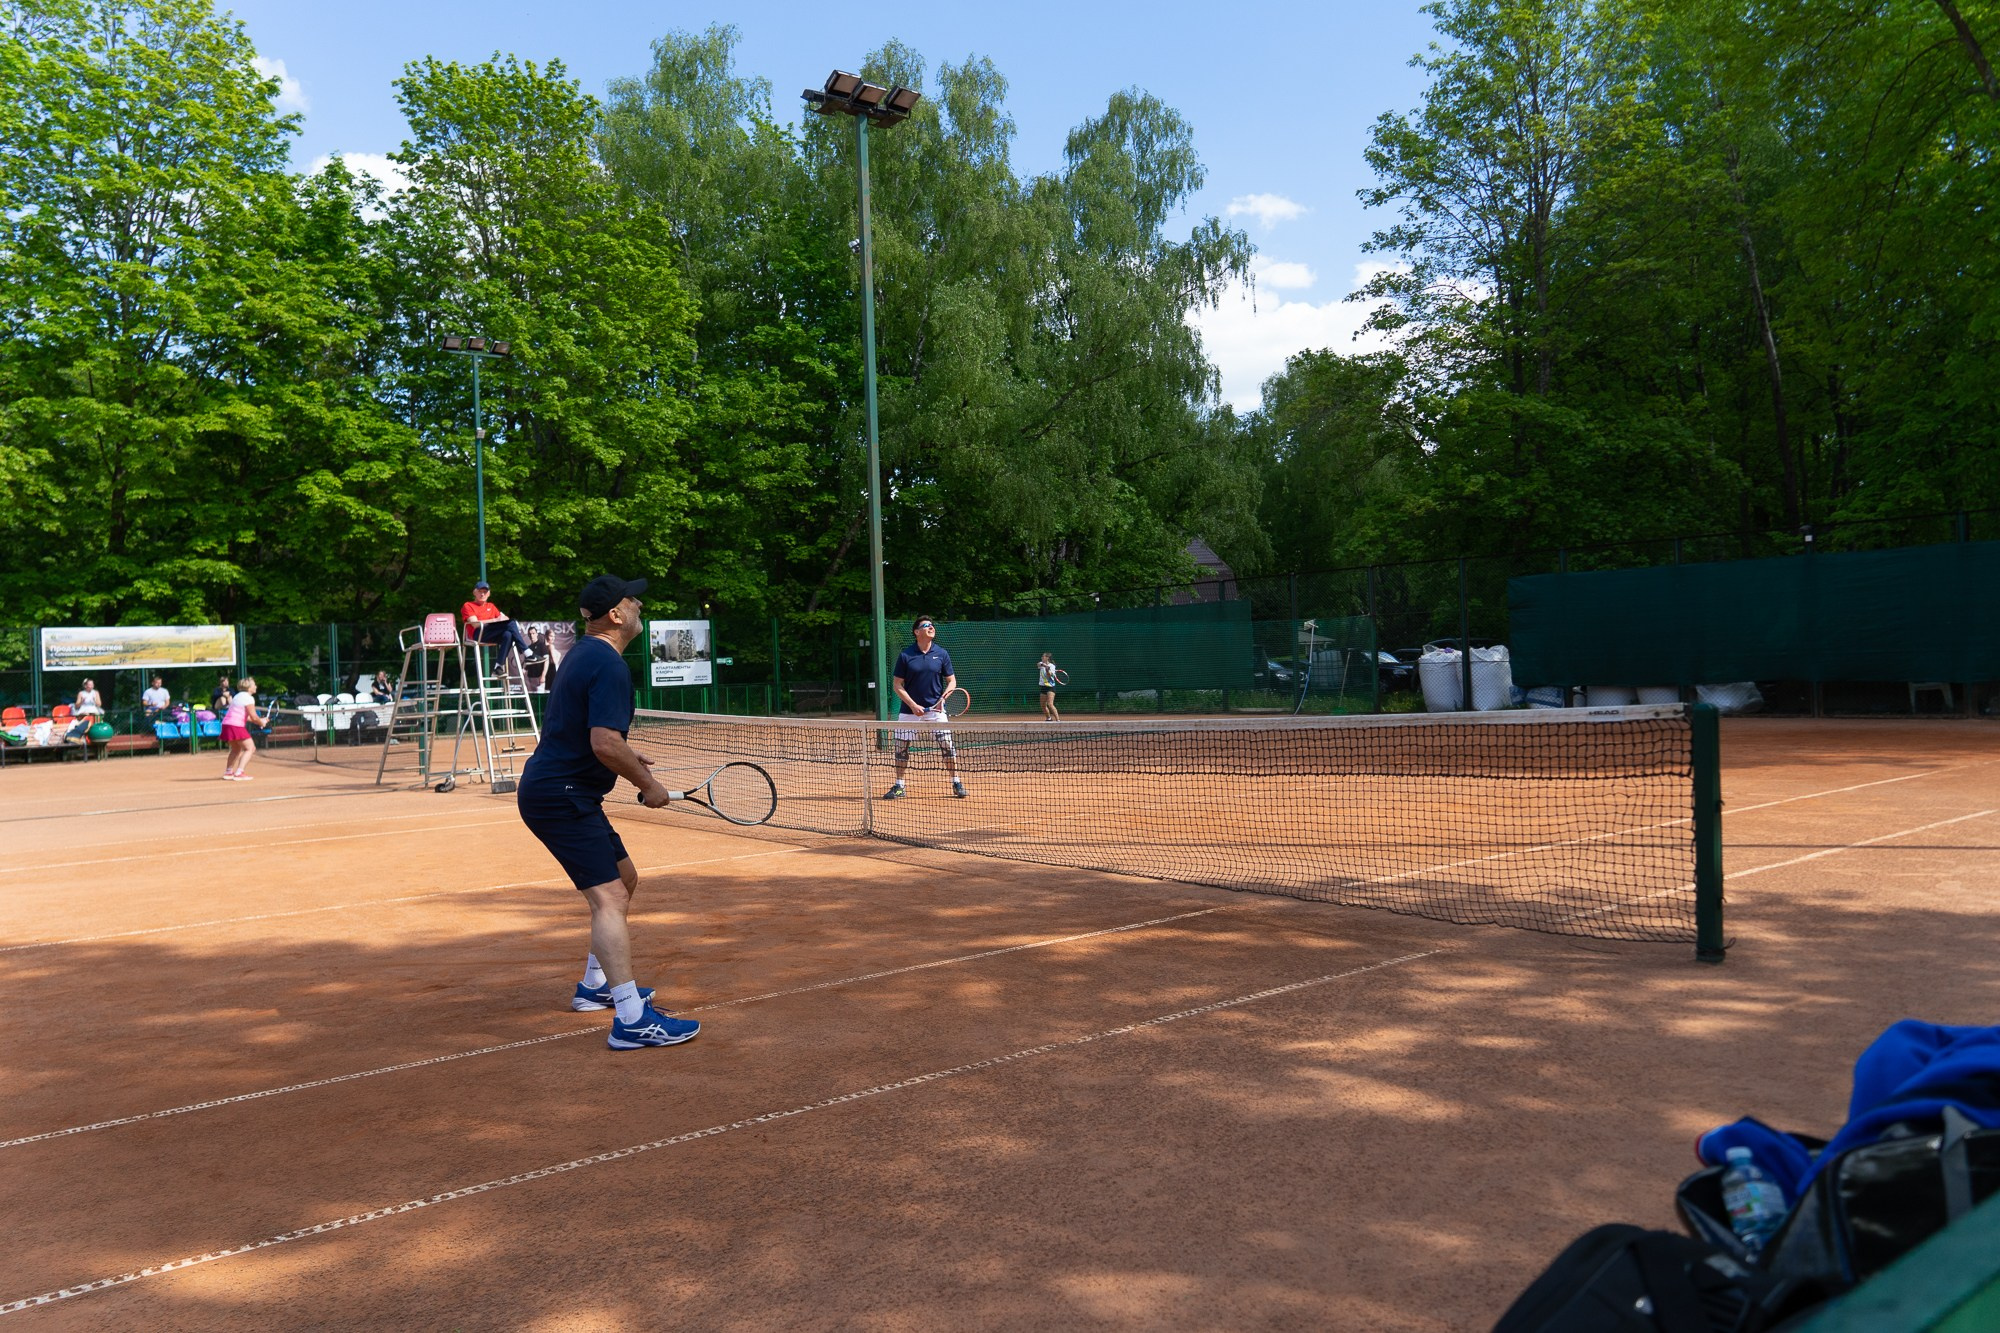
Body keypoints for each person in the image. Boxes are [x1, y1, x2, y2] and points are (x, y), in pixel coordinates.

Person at [515, 574, 699, 1052]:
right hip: (562, 795)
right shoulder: (609, 664)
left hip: (563, 790)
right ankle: (632, 1020)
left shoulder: (584, 654)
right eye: (631, 599)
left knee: (625, 878)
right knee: (611, 898)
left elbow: (590, 735)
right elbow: (603, 742)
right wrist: (649, 785)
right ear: (616, 615)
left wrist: (628, 757)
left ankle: (596, 986)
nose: (639, 604)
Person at [884, 616, 966, 800]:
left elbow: (951, 681)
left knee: (947, 746)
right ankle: (899, 786)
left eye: (932, 625)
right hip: (908, 711)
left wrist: (943, 699)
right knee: (901, 749)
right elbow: (897, 684)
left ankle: (956, 782)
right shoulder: (906, 655)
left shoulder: (942, 653)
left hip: (936, 711)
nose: (931, 627)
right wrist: (913, 705)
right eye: (926, 625)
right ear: (916, 632)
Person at [461, 579, 531, 672]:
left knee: (508, 634)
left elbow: (504, 618)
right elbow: (475, 624)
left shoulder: (491, 606)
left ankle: (498, 667)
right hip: (478, 634)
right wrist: (495, 620)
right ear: (474, 592)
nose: (482, 594)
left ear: (489, 594)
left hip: (492, 633)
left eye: (485, 592)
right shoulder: (468, 605)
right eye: (480, 592)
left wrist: (502, 618)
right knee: (511, 623)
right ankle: (527, 652)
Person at [220, 676, 269, 781]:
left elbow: (245, 716)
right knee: (250, 748)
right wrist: (261, 722)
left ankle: (228, 772)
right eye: (254, 684)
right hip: (235, 725)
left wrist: (261, 720)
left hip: (227, 724)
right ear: (249, 687)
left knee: (236, 749)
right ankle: (239, 772)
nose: (256, 686)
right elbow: (254, 717)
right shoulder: (248, 698)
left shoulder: (237, 696)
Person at [1037, 653, 1061, 722]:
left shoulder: (1052, 666)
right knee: (1043, 705)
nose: (1042, 657)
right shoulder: (1041, 664)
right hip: (1043, 687)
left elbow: (1049, 676)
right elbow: (1038, 664)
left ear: (1047, 658)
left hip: (1050, 687)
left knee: (1050, 704)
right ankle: (1049, 718)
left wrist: (1047, 669)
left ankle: (1058, 720)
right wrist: (1044, 665)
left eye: (1043, 656)